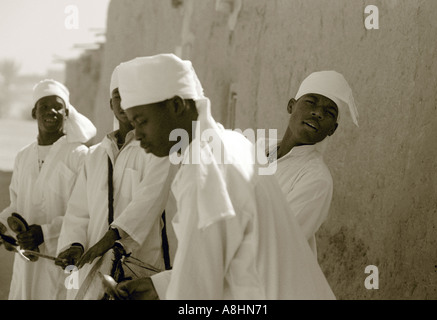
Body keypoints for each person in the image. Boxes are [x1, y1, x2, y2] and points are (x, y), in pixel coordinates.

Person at [113, 53, 335, 300]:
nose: (137, 133)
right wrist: (160, 286)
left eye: (141, 121)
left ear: (176, 105)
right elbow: (211, 260)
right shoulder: (230, 145)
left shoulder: (207, 168)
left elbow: (198, 292)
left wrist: (168, 288)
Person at [55, 65, 176, 299]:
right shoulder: (95, 155)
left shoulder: (159, 149)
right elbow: (79, 212)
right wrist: (75, 244)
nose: (123, 103)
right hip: (94, 266)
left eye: (131, 95)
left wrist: (110, 239)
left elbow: (149, 200)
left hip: (138, 265)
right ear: (111, 104)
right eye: (117, 96)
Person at [0, 79, 96, 300]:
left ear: (67, 112)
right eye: (44, 106)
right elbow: (17, 204)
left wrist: (44, 232)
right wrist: (4, 225)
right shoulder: (23, 156)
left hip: (59, 258)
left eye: (57, 106)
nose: (51, 111)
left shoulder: (80, 155)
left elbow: (85, 211)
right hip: (26, 259)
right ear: (34, 112)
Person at [265, 71, 359, 255]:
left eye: (329, 112)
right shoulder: (256, 149)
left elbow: (277, 241)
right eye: (311, 102)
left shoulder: (315, 180)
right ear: (291, 106)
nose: (318, 113)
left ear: (332, 129)